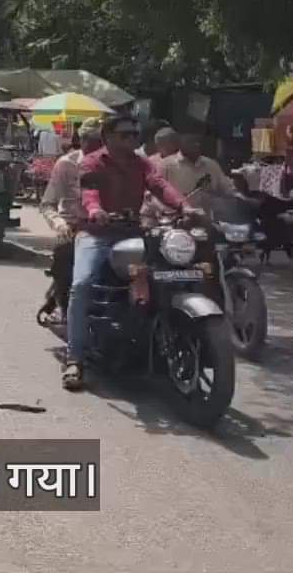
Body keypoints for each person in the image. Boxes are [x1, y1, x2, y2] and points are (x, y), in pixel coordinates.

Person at [65, 114, 201, 391]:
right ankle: (75, 359)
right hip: (97, 235)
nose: (132, 139)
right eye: (125, 134)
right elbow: (89, 192)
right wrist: (95, 211)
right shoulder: (92, 162)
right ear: (107, 137)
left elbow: (160, 186)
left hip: (132, 233)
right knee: (81, 285)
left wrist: (184, 206)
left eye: (135, 134)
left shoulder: (143, 163)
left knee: (172, 271)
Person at [37, 118, 103, 325]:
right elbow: (47, 204)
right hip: (73, 226)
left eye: (100, 140)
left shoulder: (116, 164)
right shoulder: (66, 164)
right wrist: (59, 223)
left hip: (107, 227)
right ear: (80, 140)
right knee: (65, 258)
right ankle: (64, 304)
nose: (94, 145)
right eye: (88, 140)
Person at [162, 132, 238, 212]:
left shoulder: (211, 164)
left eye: (198, 141)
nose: (196, 144)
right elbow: (155, 197)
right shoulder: (166, 165)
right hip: (179, 217)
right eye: (191, 141)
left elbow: (227, 189)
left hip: (211, 218)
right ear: (180, 143)